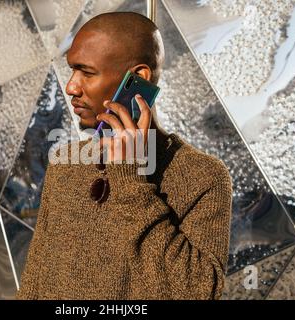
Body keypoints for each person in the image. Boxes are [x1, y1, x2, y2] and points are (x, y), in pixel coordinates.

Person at [16, 12, 233, 300]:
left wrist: (129, 181)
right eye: (71, 70)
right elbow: (34, 283)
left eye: (87, 72)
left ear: (138, 79)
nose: (71, 87)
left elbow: (196, 291)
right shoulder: (65, 165)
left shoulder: (202, 176)